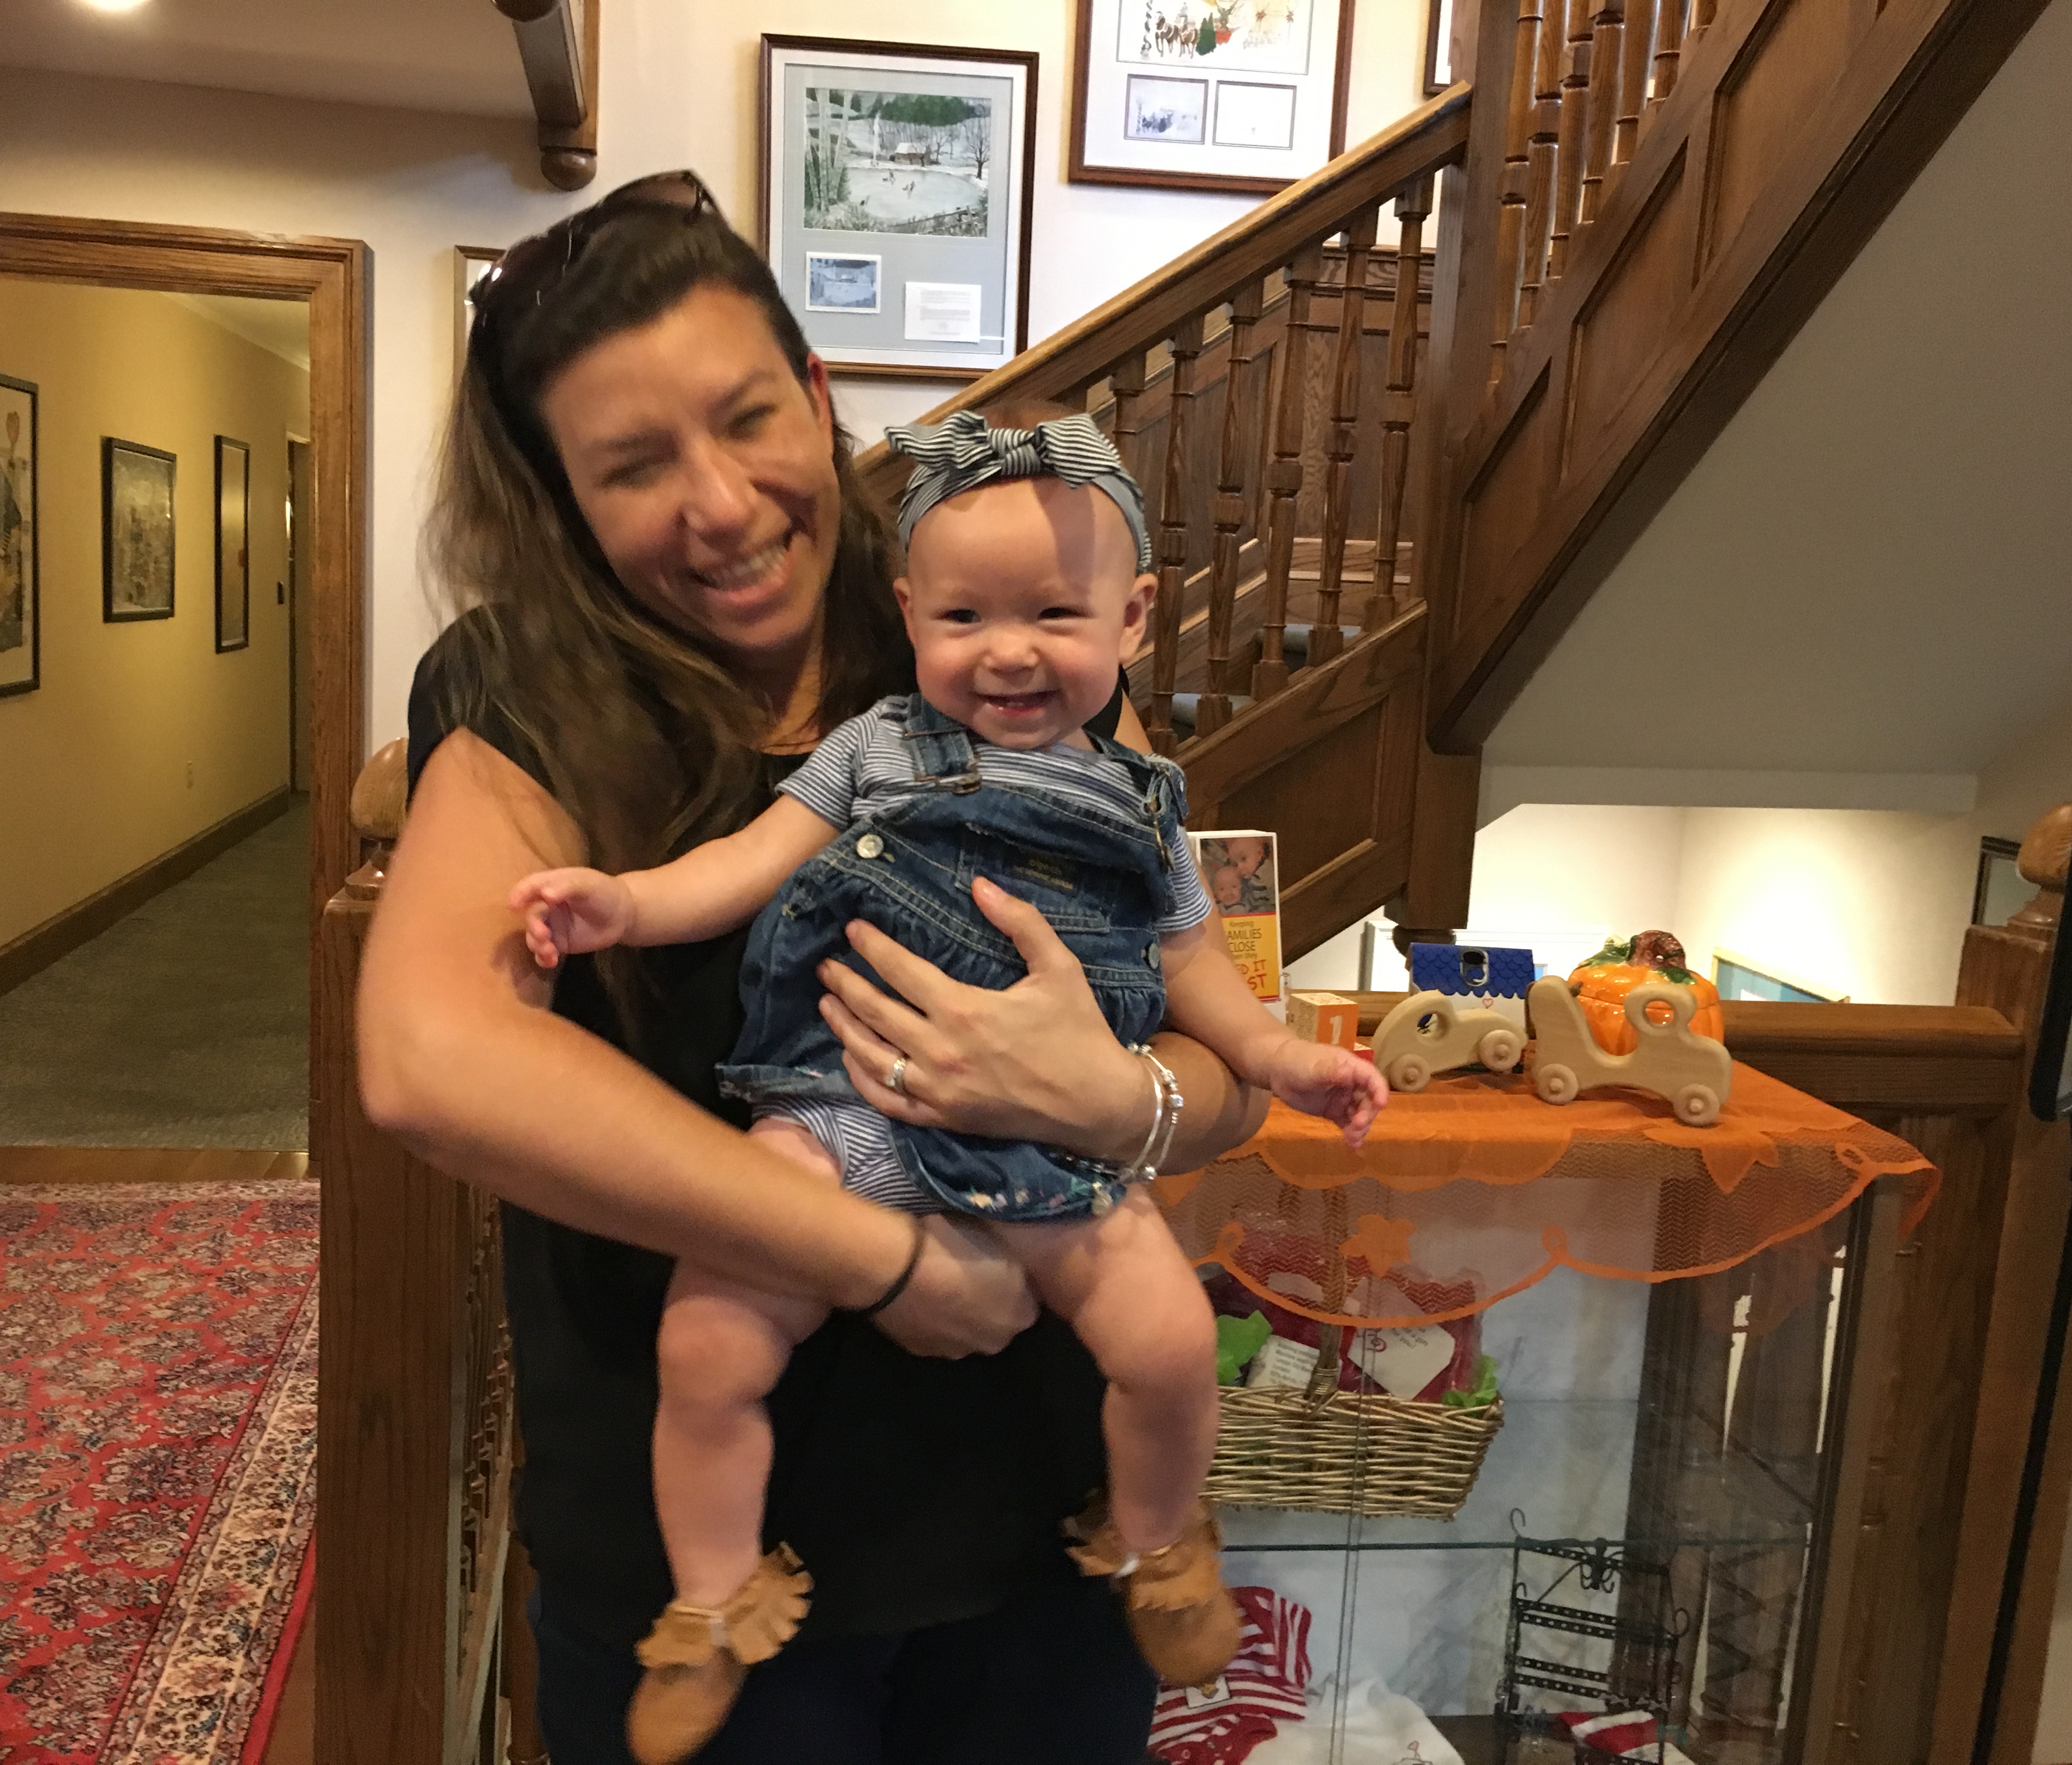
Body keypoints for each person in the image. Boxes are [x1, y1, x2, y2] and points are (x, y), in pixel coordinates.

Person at [355, 170, 1278, 1765]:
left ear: (821, 394)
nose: (717, 504)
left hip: (1040, 1542)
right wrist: (883, 1261)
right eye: (634, 465)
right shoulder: (524, 692)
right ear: (561, 497)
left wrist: (1111, 1099)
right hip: (713, 1582)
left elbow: (1217, 1062)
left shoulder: (991, 626)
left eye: (746, 420)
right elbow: (431, 1060)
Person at [513, 410, 1389, 1763]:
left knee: (1164, 1345)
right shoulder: (871, 748)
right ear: (909, 615)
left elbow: (1196, 967)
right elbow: (746, 865)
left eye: (1054, 611)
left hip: (1049, 1141)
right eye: (967, 616)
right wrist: (619, 906)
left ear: (1134, 617)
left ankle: (1156, 1552)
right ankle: (708, 1604)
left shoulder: (1143, 802)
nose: (1012, 650)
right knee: (709, 1344)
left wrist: (1279, 1058)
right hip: (839, 1114)